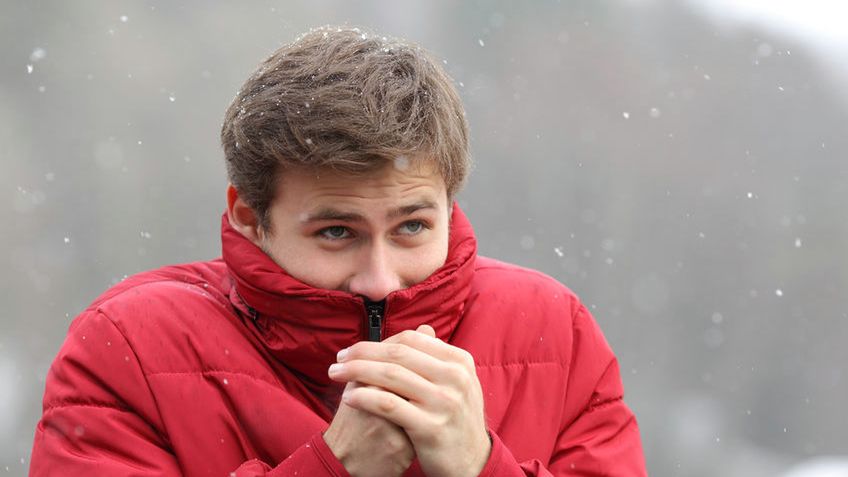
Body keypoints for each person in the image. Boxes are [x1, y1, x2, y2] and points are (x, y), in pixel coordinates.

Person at [29, 26, 647, 476]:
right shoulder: (128, 347)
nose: (380, 280)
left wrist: (481, 466)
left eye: (411, 227)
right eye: (336, 232)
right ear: (249, 216)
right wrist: (333, 466)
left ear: (449, 203)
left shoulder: (554, 331)